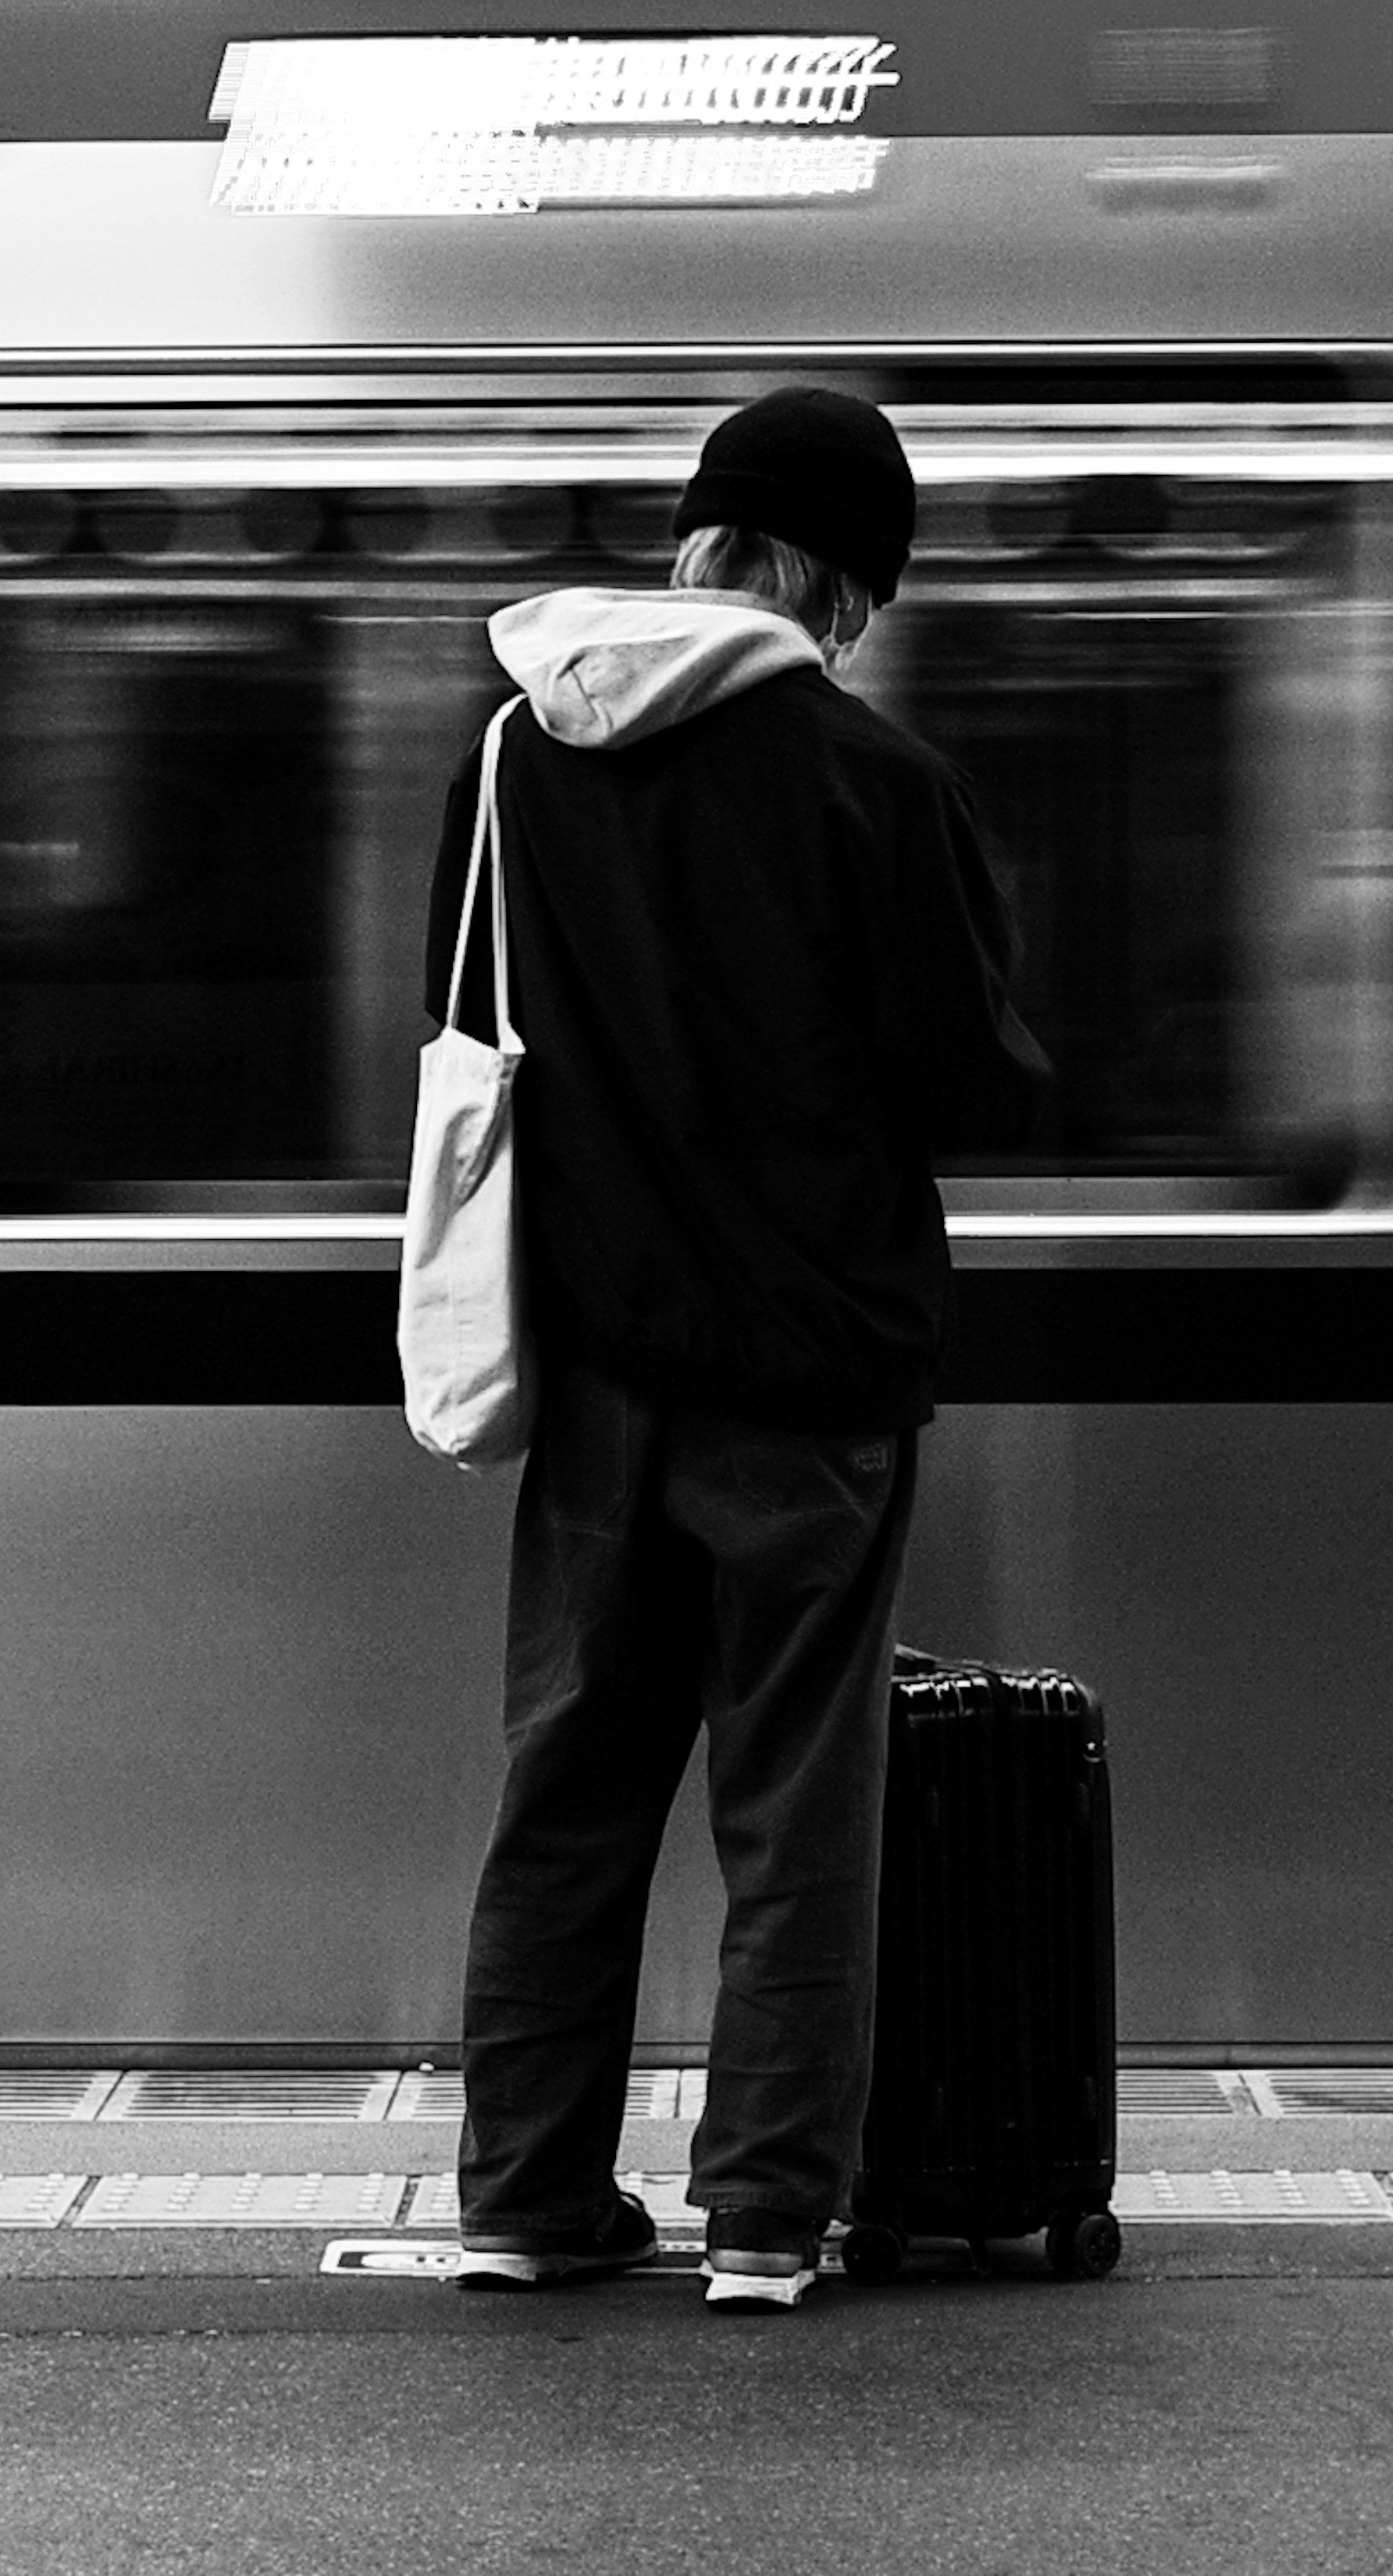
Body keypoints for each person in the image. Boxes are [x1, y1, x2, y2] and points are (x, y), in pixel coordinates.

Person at [423, 384, 1039, 2314]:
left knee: (570, 1801)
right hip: (811, 1376)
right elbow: (971, 1086)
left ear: (698, 538)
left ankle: (527, 2198)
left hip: (594, 1368)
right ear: (839, 586)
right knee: (798, 1812)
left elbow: (453, 1032)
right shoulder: (875, 782)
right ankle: (767, 2219)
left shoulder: (513, 762)